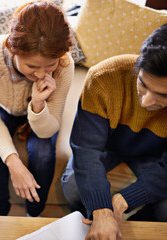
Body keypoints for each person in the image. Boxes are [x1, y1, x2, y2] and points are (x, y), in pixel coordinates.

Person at [61, 24, 167, 240]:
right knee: (73, 188)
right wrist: (101, 210)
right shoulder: (103, 77)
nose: (146, 101)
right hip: (107, 145)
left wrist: (122, 200)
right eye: (143, 84)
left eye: (163, 95)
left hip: (155, 156)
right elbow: (86, 149)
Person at [0, 0, 74, 217]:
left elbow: (46, 131)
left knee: (44, 154)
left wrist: (37, 104)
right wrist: (14, 162)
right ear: (11, 48)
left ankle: (33, 213)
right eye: (32, 66)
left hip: (42, 114)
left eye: (49, 65)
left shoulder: (65, 65)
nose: (40, 74)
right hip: (4, 108)